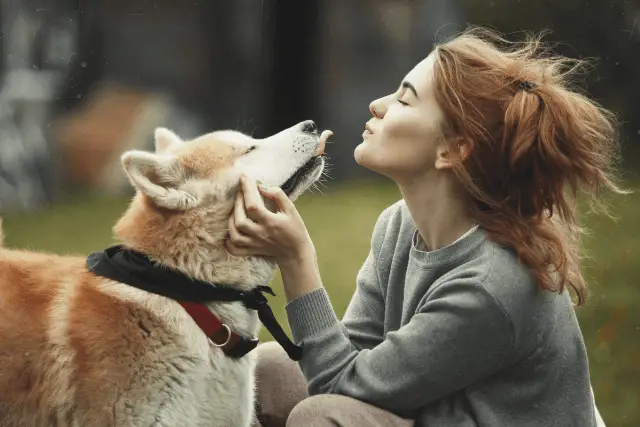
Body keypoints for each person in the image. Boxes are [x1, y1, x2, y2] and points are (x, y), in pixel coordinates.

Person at [225, 27, 620, 427]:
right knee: (262, 371)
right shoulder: (399, 225)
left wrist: (296, 259)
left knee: (322, 418)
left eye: (404, 99)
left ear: (453, 149)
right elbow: (354, 353)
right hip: (433, 412)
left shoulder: (491, 284)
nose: (377, 105)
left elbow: (339, 384)